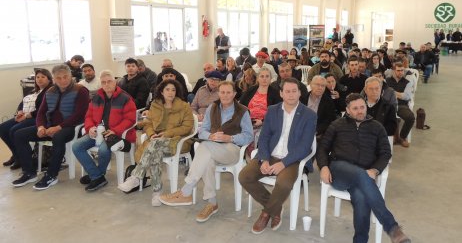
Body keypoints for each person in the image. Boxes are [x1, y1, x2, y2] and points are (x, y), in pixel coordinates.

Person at [317, 93, 411, 243]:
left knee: (361, 197)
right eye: (355, 108)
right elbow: (322, 148)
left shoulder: (377, 127)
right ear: (347, 110)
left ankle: (360, 240)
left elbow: (386, 153)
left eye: (362, 107)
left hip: (366, 174)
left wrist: (375, 170)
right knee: (362, 176)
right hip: (339, 170)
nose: (360, 111)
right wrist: (323, 167)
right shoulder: (337, 125)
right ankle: (393, 228)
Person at [159, 81, 253, 222]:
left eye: (229, 92)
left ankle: (186, 190)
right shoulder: (212, 108)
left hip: (232, 150)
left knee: (204, 147)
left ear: (234, 94)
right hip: (211, 147)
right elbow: (202, 130)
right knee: (207, 159)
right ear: (218, 93)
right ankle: (212, 203)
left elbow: (248, 136)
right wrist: (210, 136)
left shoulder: (243, 111)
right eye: (222, 92)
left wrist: (230, 138)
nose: (225, 95)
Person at [239, 77, 317, 234]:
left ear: (300, 93)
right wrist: (265, 159)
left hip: (292, 159)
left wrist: (283, 163)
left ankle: (266, 213)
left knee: (284, 184)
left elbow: (304, 146)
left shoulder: (309, 115)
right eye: (287, 91)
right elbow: (265, 137)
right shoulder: (273, 110)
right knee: (244, 176)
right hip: (270, 154)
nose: (291, 95)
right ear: (281, 93)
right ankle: (276, 207)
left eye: (294, 91)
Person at [12, 65, 89, 190]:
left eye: (65, 77)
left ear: (71, 76)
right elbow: (41, 113)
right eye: (58, 78)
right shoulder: (50, 91)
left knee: (58, 137)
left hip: (70, 127)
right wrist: (40, 127)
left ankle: (51, 175)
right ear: (53, 79)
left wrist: (59, 127)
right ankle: (29, 172)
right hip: (49, 127)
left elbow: (80, 115)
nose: (62, 80)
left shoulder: (81, 90)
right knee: (19, 134)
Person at [118, 79, 194, 206]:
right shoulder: (155, 105)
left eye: (173, 90)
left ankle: (137, 177)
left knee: (153, 146)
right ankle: (157, 192)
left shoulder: (184, 106)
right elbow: (148, 123)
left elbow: (187, 127)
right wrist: (152, 134)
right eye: (167, 89)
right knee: (155, 149)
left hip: (177, 141)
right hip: (156, 141)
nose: (171, 92)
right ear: (161, 92)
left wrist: (167, 134)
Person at [72, 70, 136, 191]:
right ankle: (96, 175)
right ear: (100, 84)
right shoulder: (97, 97)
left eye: (109, 81)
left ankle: (96, 176)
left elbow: (130, 119)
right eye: (103, 82)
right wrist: (90, 127)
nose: (106, 84)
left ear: (115, 82)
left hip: (118, 134)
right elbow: (88, 116)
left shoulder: (125, 98)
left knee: (103, 149)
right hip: (98, 132)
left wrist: (115, 130)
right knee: (76, 146)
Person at [1, 68, 53, 169]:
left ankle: (23, 158)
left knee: (14, 130)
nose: (39, 79)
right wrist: (19, 112)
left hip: (36, 117)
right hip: (25, 115)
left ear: (49, 79)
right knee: (2, 128)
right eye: (37, 77)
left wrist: (25, 116)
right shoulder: (33, 91)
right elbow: (22, 103)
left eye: (43, 77)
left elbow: (41, 111)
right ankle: (16, 155)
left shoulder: (49, 91)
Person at [386, 62, 415, 147]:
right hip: (389, 105)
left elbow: (406, 96)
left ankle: (402, 137)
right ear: (394, 71)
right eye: (398, 70)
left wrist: (392, 92)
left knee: (410, 118)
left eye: (402, 70)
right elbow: (384, 94)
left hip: (401, 105)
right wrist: (399, 94)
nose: (401, 72)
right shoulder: (387, 81)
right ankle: (392, 137)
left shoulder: (407, 82)